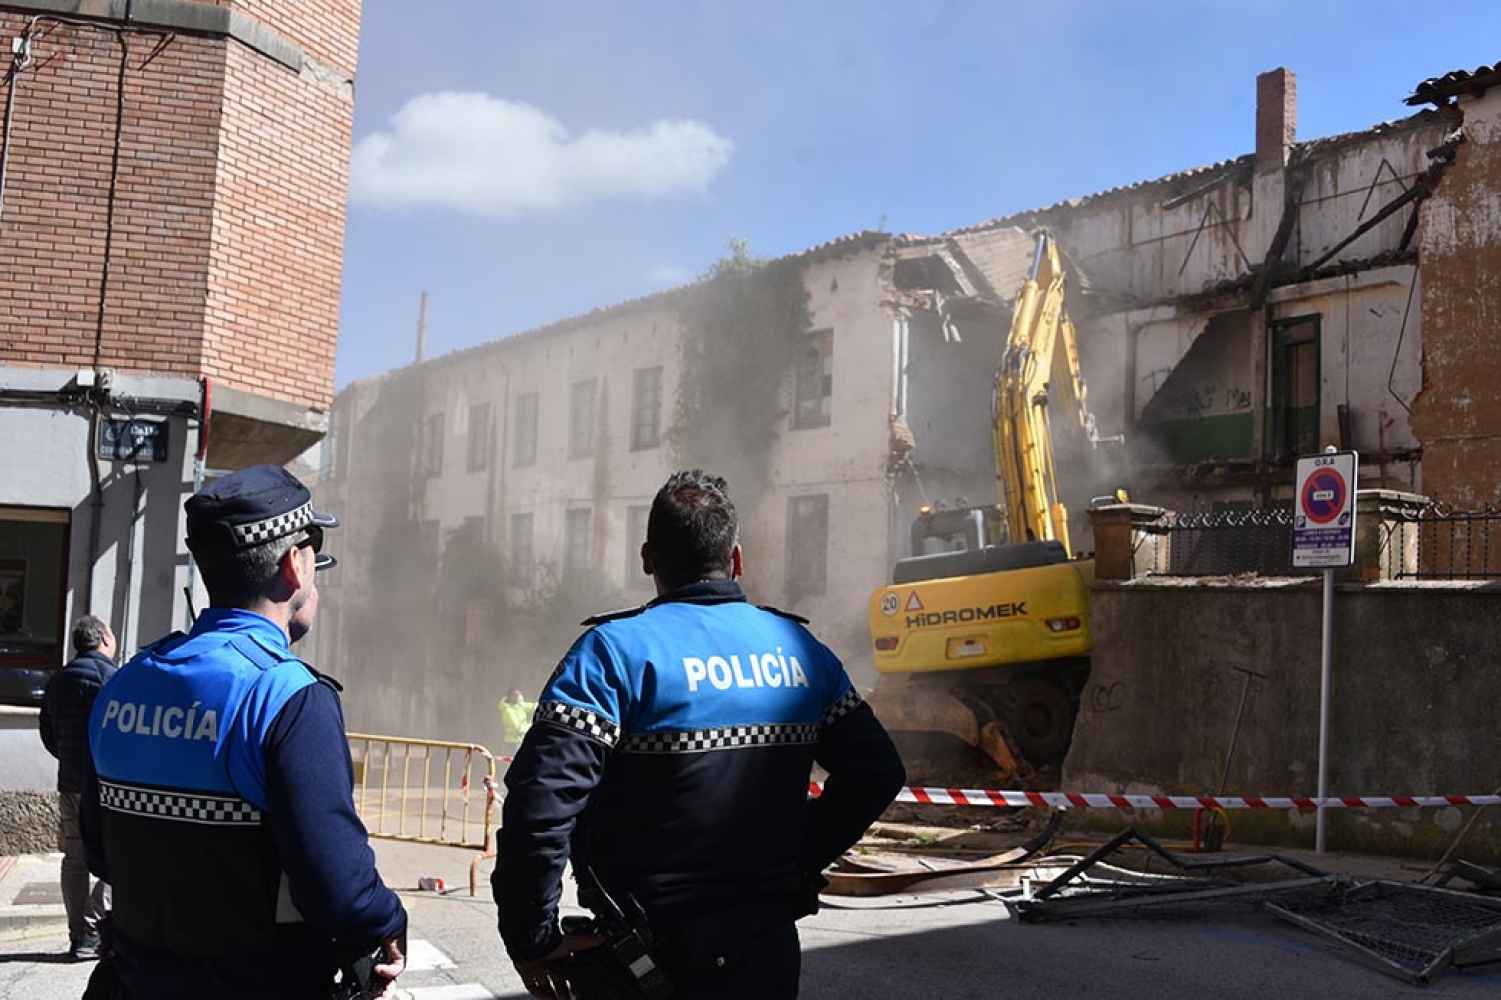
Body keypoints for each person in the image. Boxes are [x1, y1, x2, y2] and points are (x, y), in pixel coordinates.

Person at [494, 470, 906, 999]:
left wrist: (531, 936)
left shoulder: (612, 654)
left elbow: (541, 805)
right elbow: (877, 773)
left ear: (647, 558)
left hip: (644, 961)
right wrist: (795, 860)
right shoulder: (802, 652)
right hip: (766, 952)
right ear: (736, 558)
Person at [80, 465, 407, 1000]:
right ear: (292, 566)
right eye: (313, 551)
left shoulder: (125, 684)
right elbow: (338, 888)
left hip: (132, 983)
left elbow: (99, 847)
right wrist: (387, 920)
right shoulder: (285, 697)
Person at [39, 614, 117, 960]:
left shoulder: (58, 680)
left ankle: (78, 936)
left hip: (69, 780)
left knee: (75, 857)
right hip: (102, 783)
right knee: (112, 854)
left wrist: (67, 758)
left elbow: (47, 731)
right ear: (102, 638)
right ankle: (93, 925)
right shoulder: (111, 678)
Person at [498, 687, 536, 756]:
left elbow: (533, 707)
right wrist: (532, 727)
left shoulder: (519, 705)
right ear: (510, 697)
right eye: (516, 695)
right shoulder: (507, 711)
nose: (519, 697)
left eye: (519, 694)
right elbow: (517, 728)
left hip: (522, 740)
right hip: (514, 743)